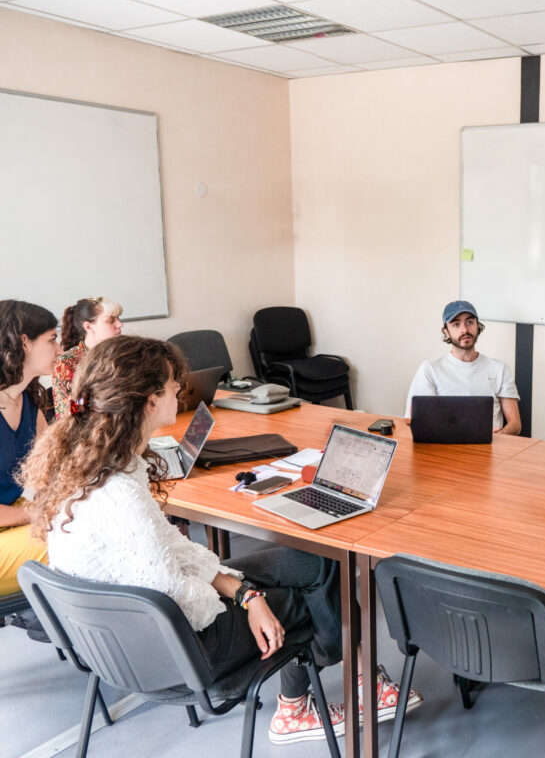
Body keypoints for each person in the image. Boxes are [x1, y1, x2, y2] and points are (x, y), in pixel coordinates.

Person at [23, 336, 348, 744]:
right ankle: (300, 705)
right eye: (173, 383)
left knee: (312, 562)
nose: (181, 387)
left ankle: (342, 671)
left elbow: (168, 550)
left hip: (121, 642)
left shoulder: (96, 466)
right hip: (182, 650)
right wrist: (249, 598)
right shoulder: (119, 492)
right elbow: (172, 591)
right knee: (301, 599)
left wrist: (243, 590)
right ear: (150, 400)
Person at [0, 300, 58, 601]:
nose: (59, 349)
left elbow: (52, 465)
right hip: (11, 523)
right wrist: (32, 514)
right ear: (25, 342)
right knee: (72, 544)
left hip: (13, 520)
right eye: (52, 339)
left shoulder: (28, 399)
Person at [406, 300, 521, 435]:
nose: (464, 330)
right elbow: (416, 422)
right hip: (445, 448)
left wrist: (498, 437)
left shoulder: (499, 369)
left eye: (469, 322)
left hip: (491, 448)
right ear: (446, 332)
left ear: (478, 326)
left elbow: (515, 424)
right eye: (456, 324)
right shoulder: (429, 370)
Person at [52, 296, 123, 420]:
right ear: (89, 327)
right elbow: (69, 414)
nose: (120, 324)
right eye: (111, 320)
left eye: (118, 318)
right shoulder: (67, 363)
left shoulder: (122, 354)